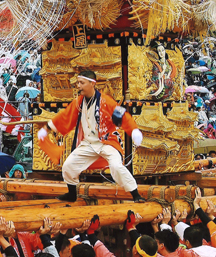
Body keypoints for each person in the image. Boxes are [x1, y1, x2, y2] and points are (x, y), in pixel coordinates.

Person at [39, 69, 143, 202]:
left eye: (82, 83)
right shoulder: (78, 102)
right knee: (68, 166)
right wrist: (47, 128)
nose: (79, 86)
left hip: (107, 142)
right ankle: (72, 194)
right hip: (88, 143)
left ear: (92, 83)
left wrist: (134, 130)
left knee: (116, 167)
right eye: (78, 83)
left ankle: (136, 194)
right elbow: (65, 116)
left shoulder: (106, 101)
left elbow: (122, 115)